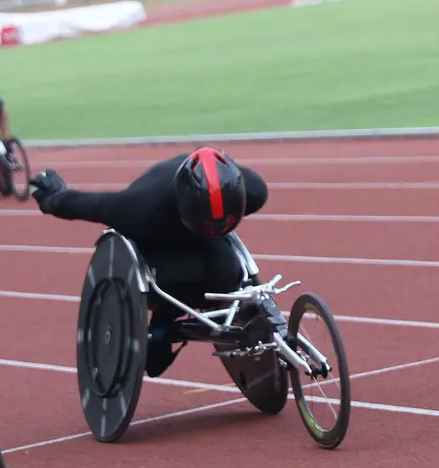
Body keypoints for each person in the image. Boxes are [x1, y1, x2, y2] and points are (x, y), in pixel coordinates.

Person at [27, 147, 269, 377]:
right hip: (155, 237)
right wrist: (53, 197)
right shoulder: (139, 208)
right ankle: (165, 318)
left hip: (199, 228)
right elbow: (92, 206)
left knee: (228, 272)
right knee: (164, 296)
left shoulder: (253, 191)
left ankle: (215, 293)